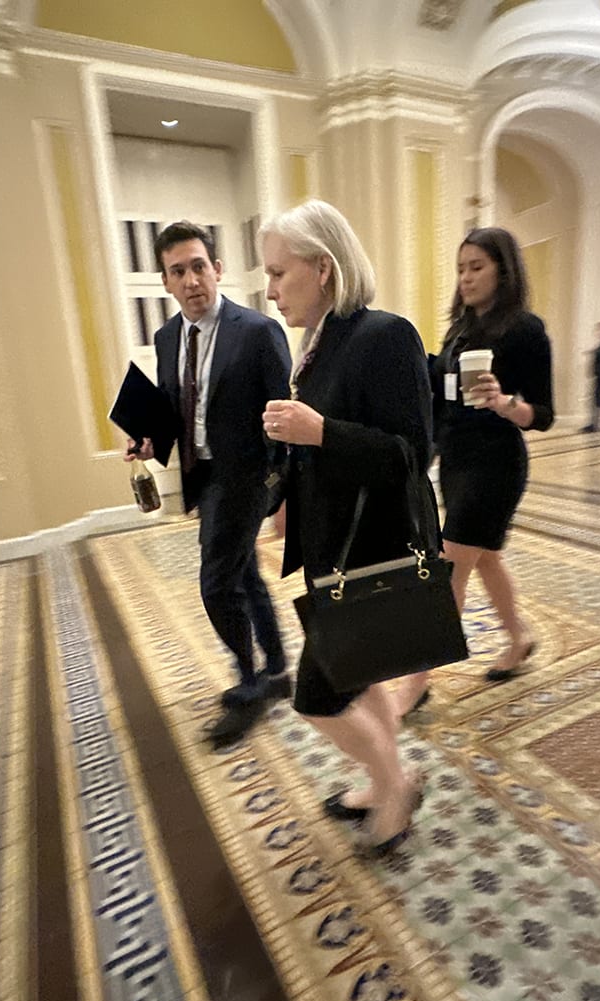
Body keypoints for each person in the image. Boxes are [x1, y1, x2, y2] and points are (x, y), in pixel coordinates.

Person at [258, 200, 438, 857]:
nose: (271, 290)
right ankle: (386, 776)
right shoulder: (320, 345)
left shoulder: (384, 335)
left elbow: (413, 454)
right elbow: (319, 449)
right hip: (335, 545)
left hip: (374, 548)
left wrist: (320, 431)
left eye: (280, 273)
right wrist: (285, 493)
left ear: (324, 268)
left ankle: (394, 786)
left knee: (315, 696)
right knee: (359, 678)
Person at [123, 222, 292, 748]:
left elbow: (285, 412)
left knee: (216, 584)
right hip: (204, 474)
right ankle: (278, 666)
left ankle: (249, 686)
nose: (192, 279)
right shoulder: (167, 336)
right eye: (179, 271)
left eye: (199, 266)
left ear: (217, 270)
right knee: (243, 574)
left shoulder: (258, 331)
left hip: (246, 477)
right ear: (166, 282)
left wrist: (281, 486)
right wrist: (151, 439)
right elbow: (181, 406)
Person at [394, 227, 553, 718]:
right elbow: (442, 405)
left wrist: (506, 403)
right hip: (458, 462)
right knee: (485, 559)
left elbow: (543, 413)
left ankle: (416, 682)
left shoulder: (525, 330)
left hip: (497, 463)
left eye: (476, 267)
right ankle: (519, 638)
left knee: (449, 568)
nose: (465, 277)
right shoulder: (458, 330)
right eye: (461, 268)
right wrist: (428, 456)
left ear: (503, 271)